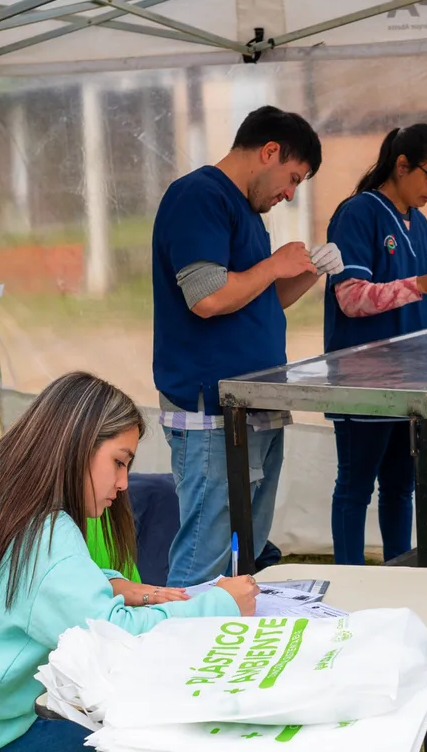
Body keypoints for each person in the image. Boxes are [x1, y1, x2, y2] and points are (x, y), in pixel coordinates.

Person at [0, 372, 260, 751]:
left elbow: (28, 581)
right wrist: (222, 603)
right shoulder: (45, 535)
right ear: (77, 446)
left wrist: (110, 583)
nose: (124, 483)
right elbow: (113, 638)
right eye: (119, 462)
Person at [153, 106, 341, 587]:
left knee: (246, 553)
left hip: (255, 403)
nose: (290, 194)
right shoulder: (199, 195)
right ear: (269, 152)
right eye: (292, 178)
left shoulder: (249, 211)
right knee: (204, 557)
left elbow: (262, 298)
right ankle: (181, 650)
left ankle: (228, 644)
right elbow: (208, 296)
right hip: (211, 412)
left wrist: (307, 270)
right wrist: (276, 264)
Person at [322, 124, 427, 565]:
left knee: (403, 486)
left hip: (413, 383)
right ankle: (348, 579)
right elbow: (350, 297)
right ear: (401, 165)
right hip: (364, 380)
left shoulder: (419, 225)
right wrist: (421, 284)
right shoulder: (358, 214)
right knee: (356, 486)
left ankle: (401, 572)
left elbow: (422, 302)